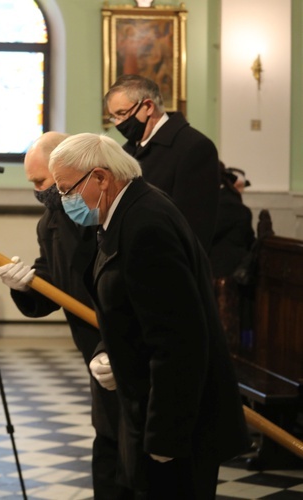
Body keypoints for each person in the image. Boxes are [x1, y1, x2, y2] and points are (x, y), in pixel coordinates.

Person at [49, 132, 249, 499]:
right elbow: (133, 312)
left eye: (66, 189)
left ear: (101, 177)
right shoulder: (126, 213)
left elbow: (179, 339)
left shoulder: (145, 224)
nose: (64, 201)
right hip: (147, 406)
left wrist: (166, 436)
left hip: (176, 424)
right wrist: (111, 352)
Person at [0, 132, 128, 499]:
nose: (38, 191)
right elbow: (53, 282)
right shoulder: (50, 222)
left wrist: (110, 343)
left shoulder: (113, 215)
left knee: (135, 455)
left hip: (127, 346)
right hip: (96, 353)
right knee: (108, 446)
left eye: (42, 182)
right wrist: (24, 286)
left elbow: (126, 293)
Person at [104, 74, 220, 252]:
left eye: (121, 114)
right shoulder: (126, 151)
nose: (118, 123)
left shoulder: (194, 147)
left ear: (148, 106)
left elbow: (194, 226)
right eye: (114, 117)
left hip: (166, 262)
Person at [210, 163, 255, 279]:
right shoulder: (233, 207)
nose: (242, 190)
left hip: (224, 274)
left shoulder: (225, 206)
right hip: (223, 271)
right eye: (240, 186)